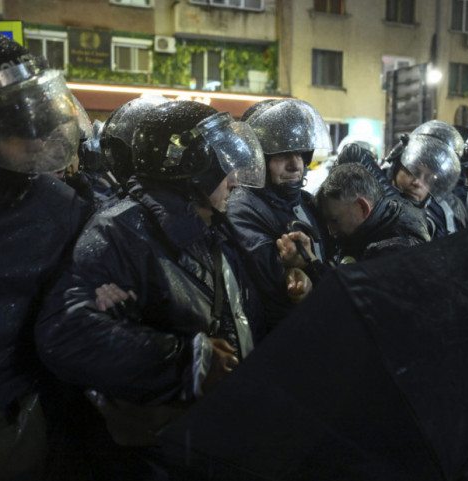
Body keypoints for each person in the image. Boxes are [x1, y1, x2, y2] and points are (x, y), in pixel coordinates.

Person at [36, 101, 267, 480]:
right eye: (224, 168)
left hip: (205, 442)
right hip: (150, 455)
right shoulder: (119, 231)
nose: (235, 181)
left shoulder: (210, 226)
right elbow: (66, 331)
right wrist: (185, 362)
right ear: (194, 170)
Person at [0, 27, 91, 480]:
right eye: (10, 124)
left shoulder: (55, 209)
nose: (37, 140)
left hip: (1, 435)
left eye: (37, 118)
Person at [226, 98, 332, 328]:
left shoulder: (305, 201)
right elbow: (269, 278)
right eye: (282, 155)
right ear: (259, 160)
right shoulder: (242, 207)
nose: (295, 165)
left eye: (300, 154)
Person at [314, 162, 430, 263]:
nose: (331, 231)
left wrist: (312, 264)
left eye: (334, 220)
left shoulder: (392, 252)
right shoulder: (393, 214)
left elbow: (348, 287)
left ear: (362, 207)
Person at [392, 126, 468, 237]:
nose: (418, 182)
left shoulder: (436, 220)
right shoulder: (371, 206)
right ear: (395, 169)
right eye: (412, 172)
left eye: (428, 179)